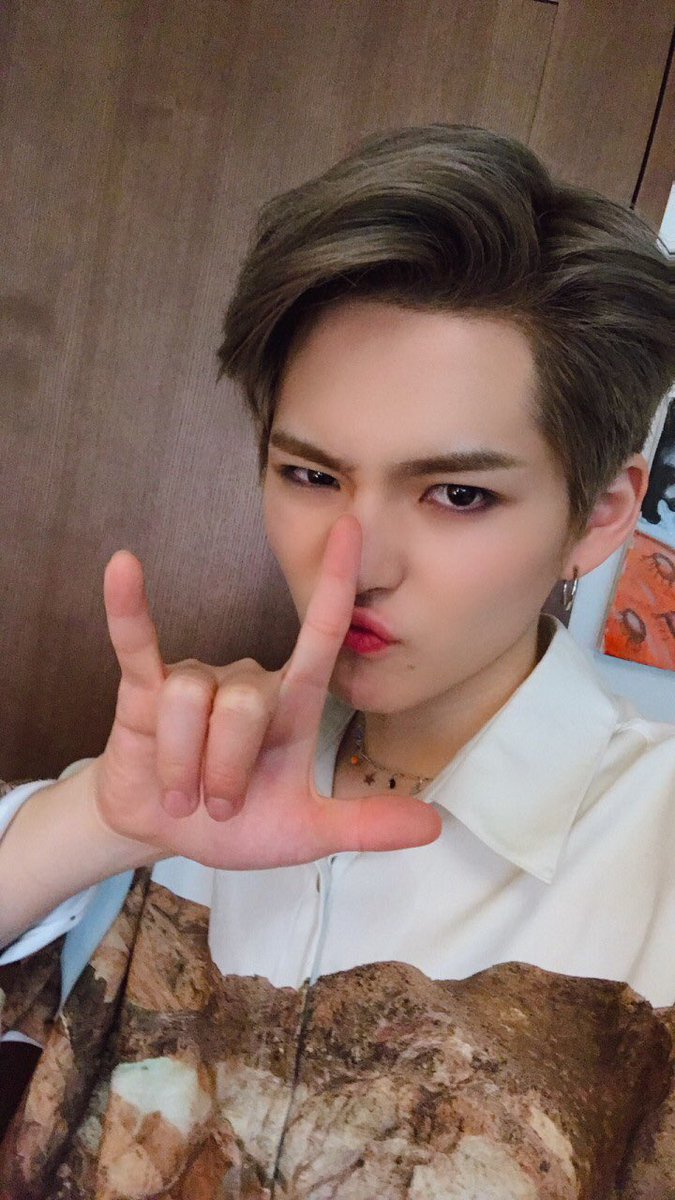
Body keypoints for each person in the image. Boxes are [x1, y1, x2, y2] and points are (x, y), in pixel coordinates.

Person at [0, 125, 673, 1191]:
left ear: (597, 516)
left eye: (459, 494)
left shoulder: (654, 853)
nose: (354, 566)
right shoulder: (185, 763)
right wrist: (99, 824)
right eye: (311, 476)